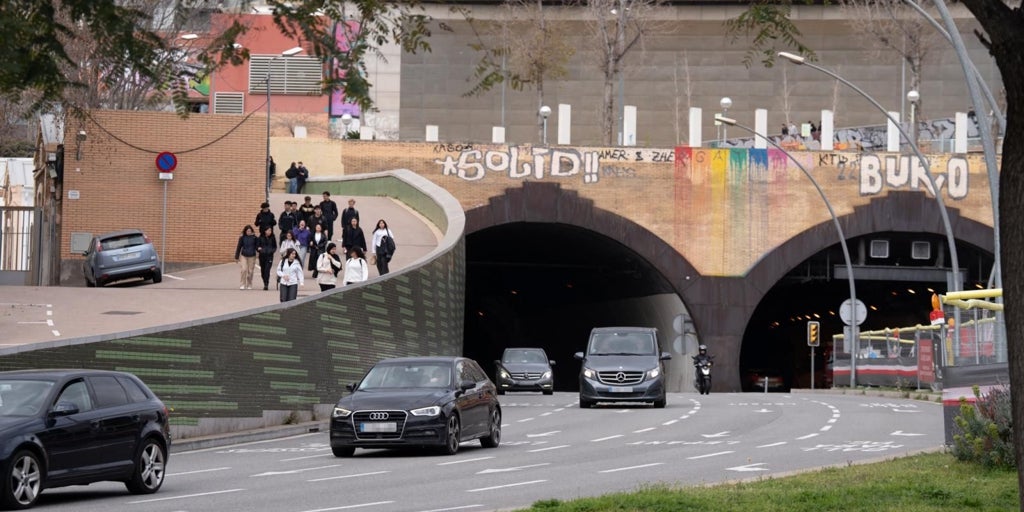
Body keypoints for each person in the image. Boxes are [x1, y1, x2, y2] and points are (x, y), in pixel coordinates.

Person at [234, 225, 258, 290]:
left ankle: (249, 284)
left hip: (252, 256)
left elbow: (257, 247)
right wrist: (236, 257)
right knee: (244, 269)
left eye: (250, 231)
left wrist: (259, 249)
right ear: (245, 231)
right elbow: (238, 247)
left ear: (252, 231)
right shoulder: (242, 238)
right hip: (244, 255)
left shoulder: (255, 238)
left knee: (250, 271)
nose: (248, 232)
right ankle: (242, 284)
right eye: (247, 231)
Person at [256, 225, 277, 290]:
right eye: (268, 230)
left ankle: (266, 284)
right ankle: (264, 281)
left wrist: (272, 251)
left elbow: (275, 246)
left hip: (269, 256)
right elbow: (257, 246)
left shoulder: (272, 238)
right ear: (265, 231)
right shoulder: (260, 237)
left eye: (270, 230)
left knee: (267, 270)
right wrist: (259, 249)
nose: (269, 232)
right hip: (262, 256)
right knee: (263, 270)